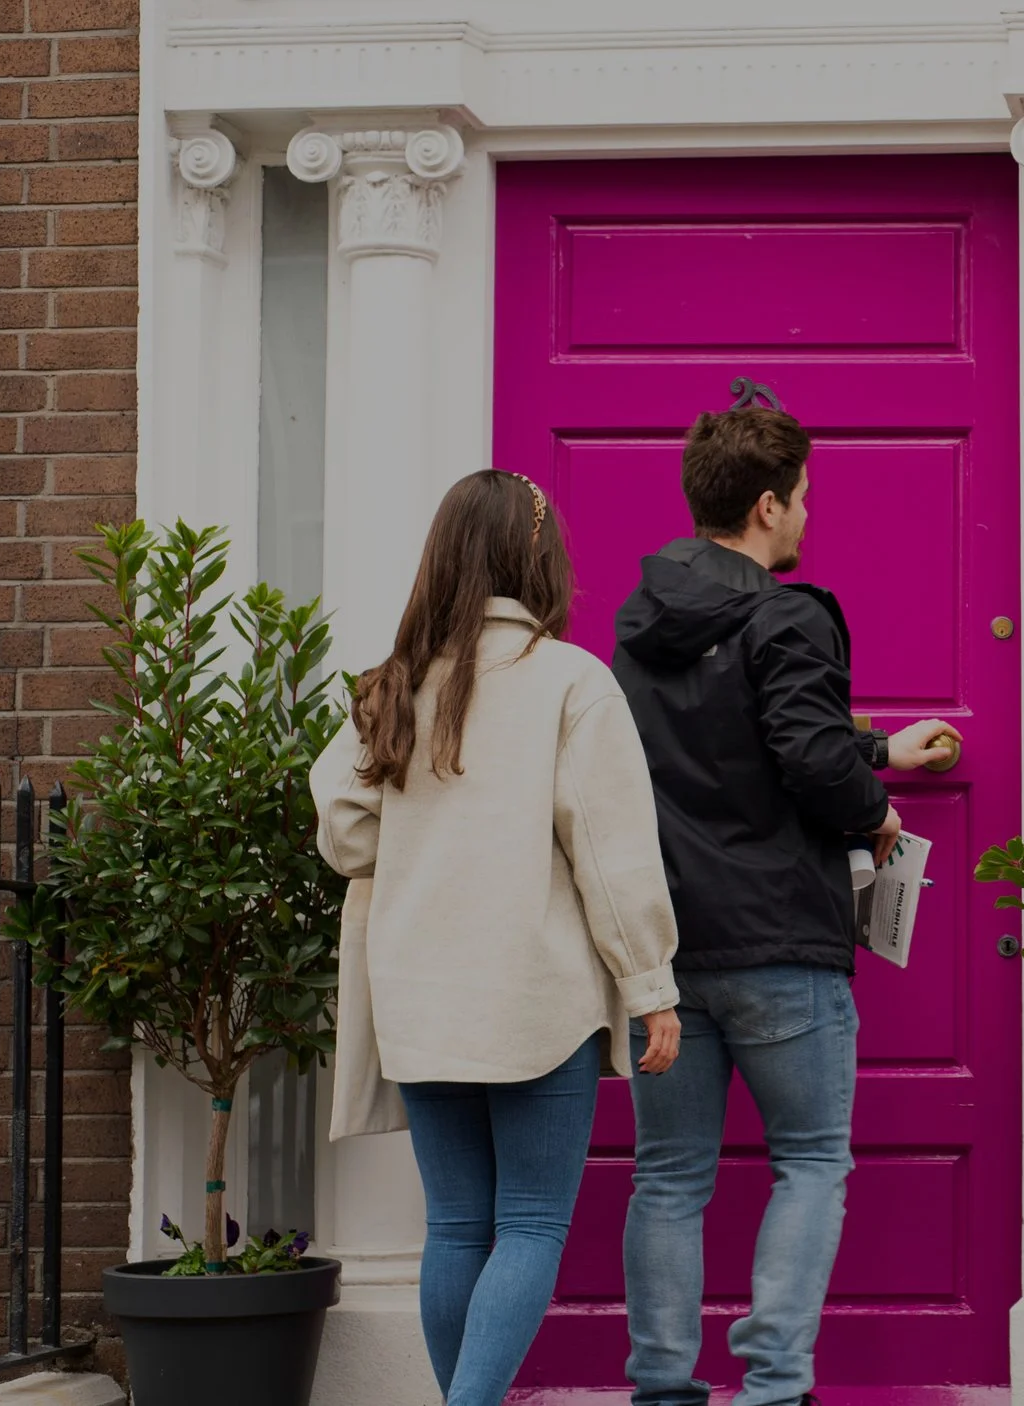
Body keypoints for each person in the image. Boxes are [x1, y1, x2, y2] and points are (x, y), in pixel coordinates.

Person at [311, 470, 684, 1406]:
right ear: (536, 556)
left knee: (457, 1227)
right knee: (529, 1224)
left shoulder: (391, 684)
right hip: (533, 996)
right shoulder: (571, 680)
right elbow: (609, 850)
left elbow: (346, 833)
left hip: (420, 998)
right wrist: (651, 982)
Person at [611, 406, 959, 1406]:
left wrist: (879, 747)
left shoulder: (638, 631)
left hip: (671, 950)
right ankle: (772, 1385)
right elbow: (802, 751)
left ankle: (663, 1387)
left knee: (669, 1177)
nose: (807, 517)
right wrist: (877, 805)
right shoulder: (786, 613)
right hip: (779, 948)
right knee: (809, 1162)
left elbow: (737, 743)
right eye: (801, 498)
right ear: (766, 504)